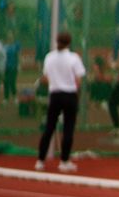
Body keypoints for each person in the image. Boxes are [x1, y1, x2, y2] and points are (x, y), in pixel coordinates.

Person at [35, 30, 86, 172]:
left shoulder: (49, 57)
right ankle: (64, 161)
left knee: (49, 128)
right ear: (69, 42)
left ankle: (40, 161)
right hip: (69, 94)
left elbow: (45, 77)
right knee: (68, 128)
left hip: (55, 94)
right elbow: (78, 79)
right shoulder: (74, 58)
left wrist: (55, 82)